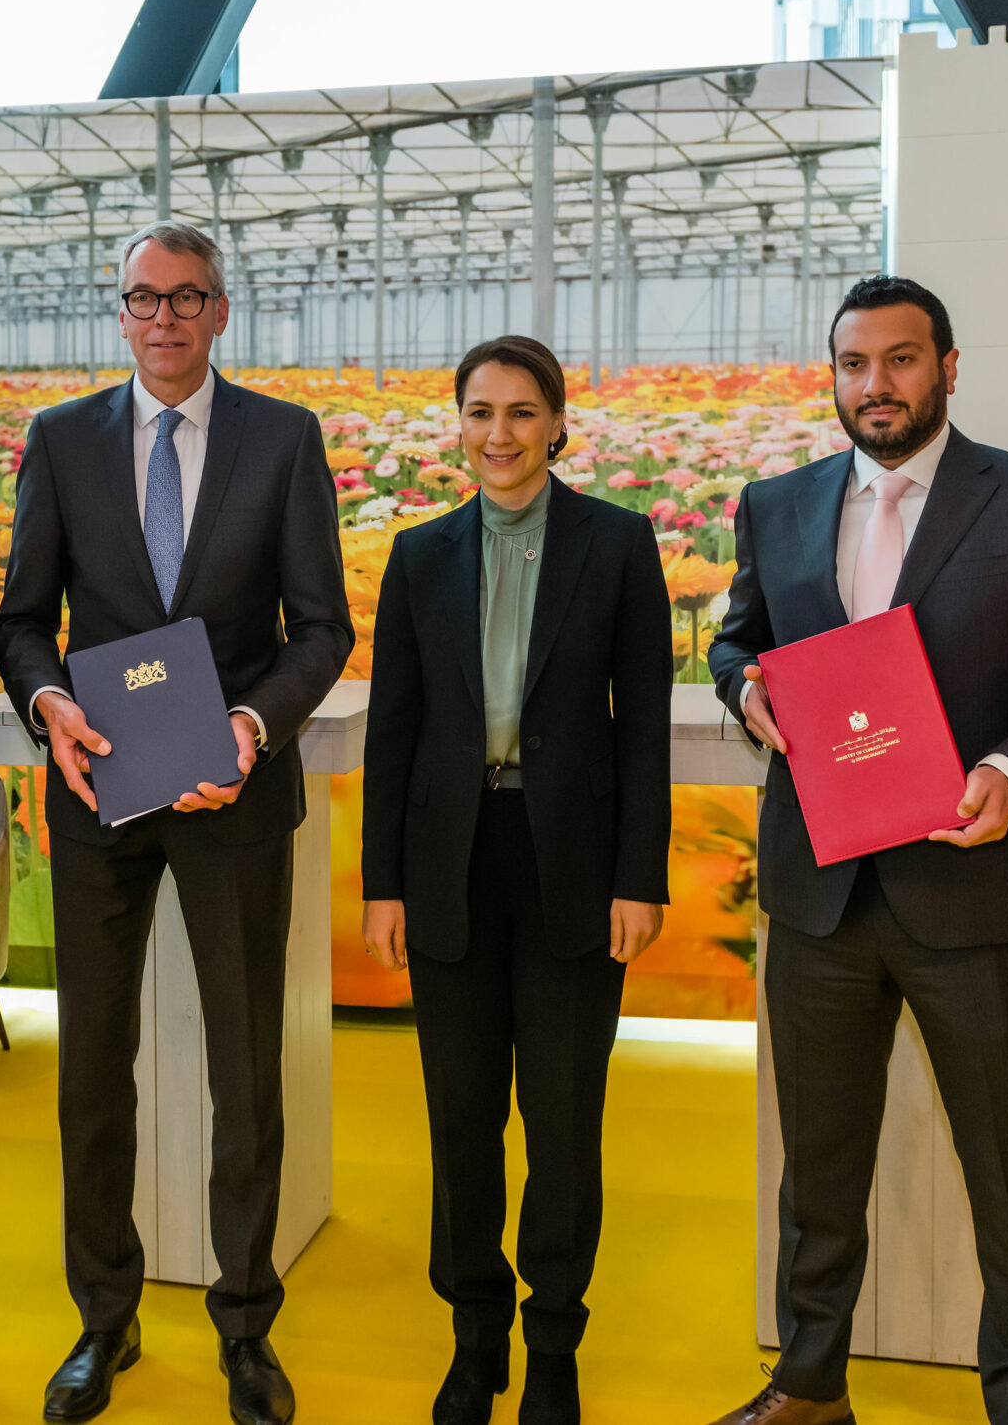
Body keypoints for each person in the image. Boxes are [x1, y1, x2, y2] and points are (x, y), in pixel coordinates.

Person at [702, 277, 1008, 1425]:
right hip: (818, 897)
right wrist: (746, 692)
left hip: (974, 892)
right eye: (855, 364)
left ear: (947, 367)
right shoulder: (779, 503)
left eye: (900, 361)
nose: (875, 386)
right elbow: (738, 640)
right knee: (819, 1169)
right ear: (834, 376)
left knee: (1006, 1174)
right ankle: (809, 1385)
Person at [0, 222, 352, 1425]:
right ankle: (104, 1321)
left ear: (220, 312)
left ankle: (246, 1327)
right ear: (120, 312)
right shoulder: (60, 441)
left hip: (232, 795)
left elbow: (320, 628)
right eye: (143, 298)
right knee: (92, 1069)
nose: (163, 317)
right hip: (99, 795)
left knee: (248, 1076)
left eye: (186, 297)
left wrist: (250, 729)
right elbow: (22, 618)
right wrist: (48, 704)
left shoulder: (283, 440)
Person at [360, 336, 674, 1425]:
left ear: (557, 424)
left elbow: (642, 733)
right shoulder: (419, 555)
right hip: (450, 863)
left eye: (522, 413)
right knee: (460, 1121)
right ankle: (474, 1332)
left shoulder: (618, 544)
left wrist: (640, 879)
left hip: (572, 869)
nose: (499, 434)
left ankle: (554, 1339)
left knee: (561, 1117)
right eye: (481, 412)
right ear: (457, 424)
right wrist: (382, 885)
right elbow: (393, 732)